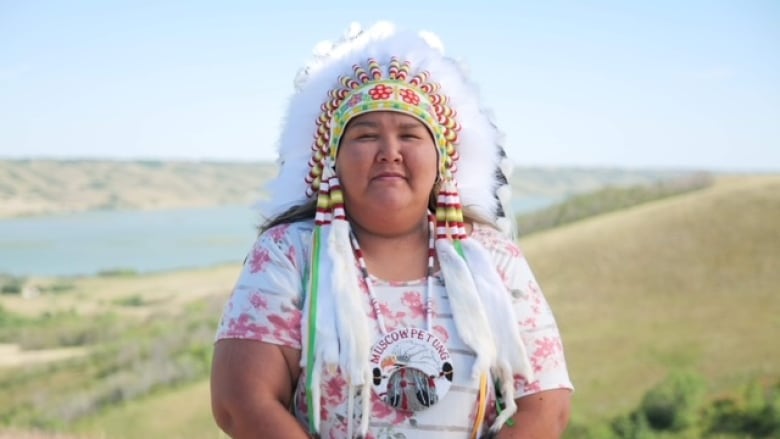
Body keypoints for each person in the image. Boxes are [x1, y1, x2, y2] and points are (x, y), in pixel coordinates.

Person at [210, 21, 574, 439]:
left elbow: (546, 409)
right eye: (365, 135)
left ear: (441, 162)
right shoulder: (289, 253)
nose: (389, 153)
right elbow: (242, 402)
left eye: (409, 135)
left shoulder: (493, 258)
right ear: (334, 161)